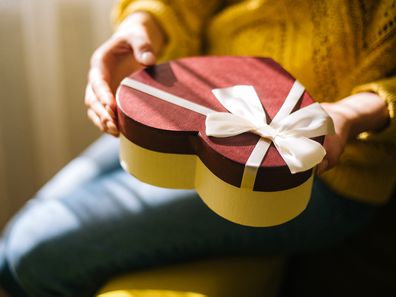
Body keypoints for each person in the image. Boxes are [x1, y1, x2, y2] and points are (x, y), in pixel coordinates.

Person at [1, 1, 395, 296]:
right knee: (9, 250)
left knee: (32, 251)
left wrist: (352, 114)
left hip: (309, 170)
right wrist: (144, 23)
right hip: (197, 101)